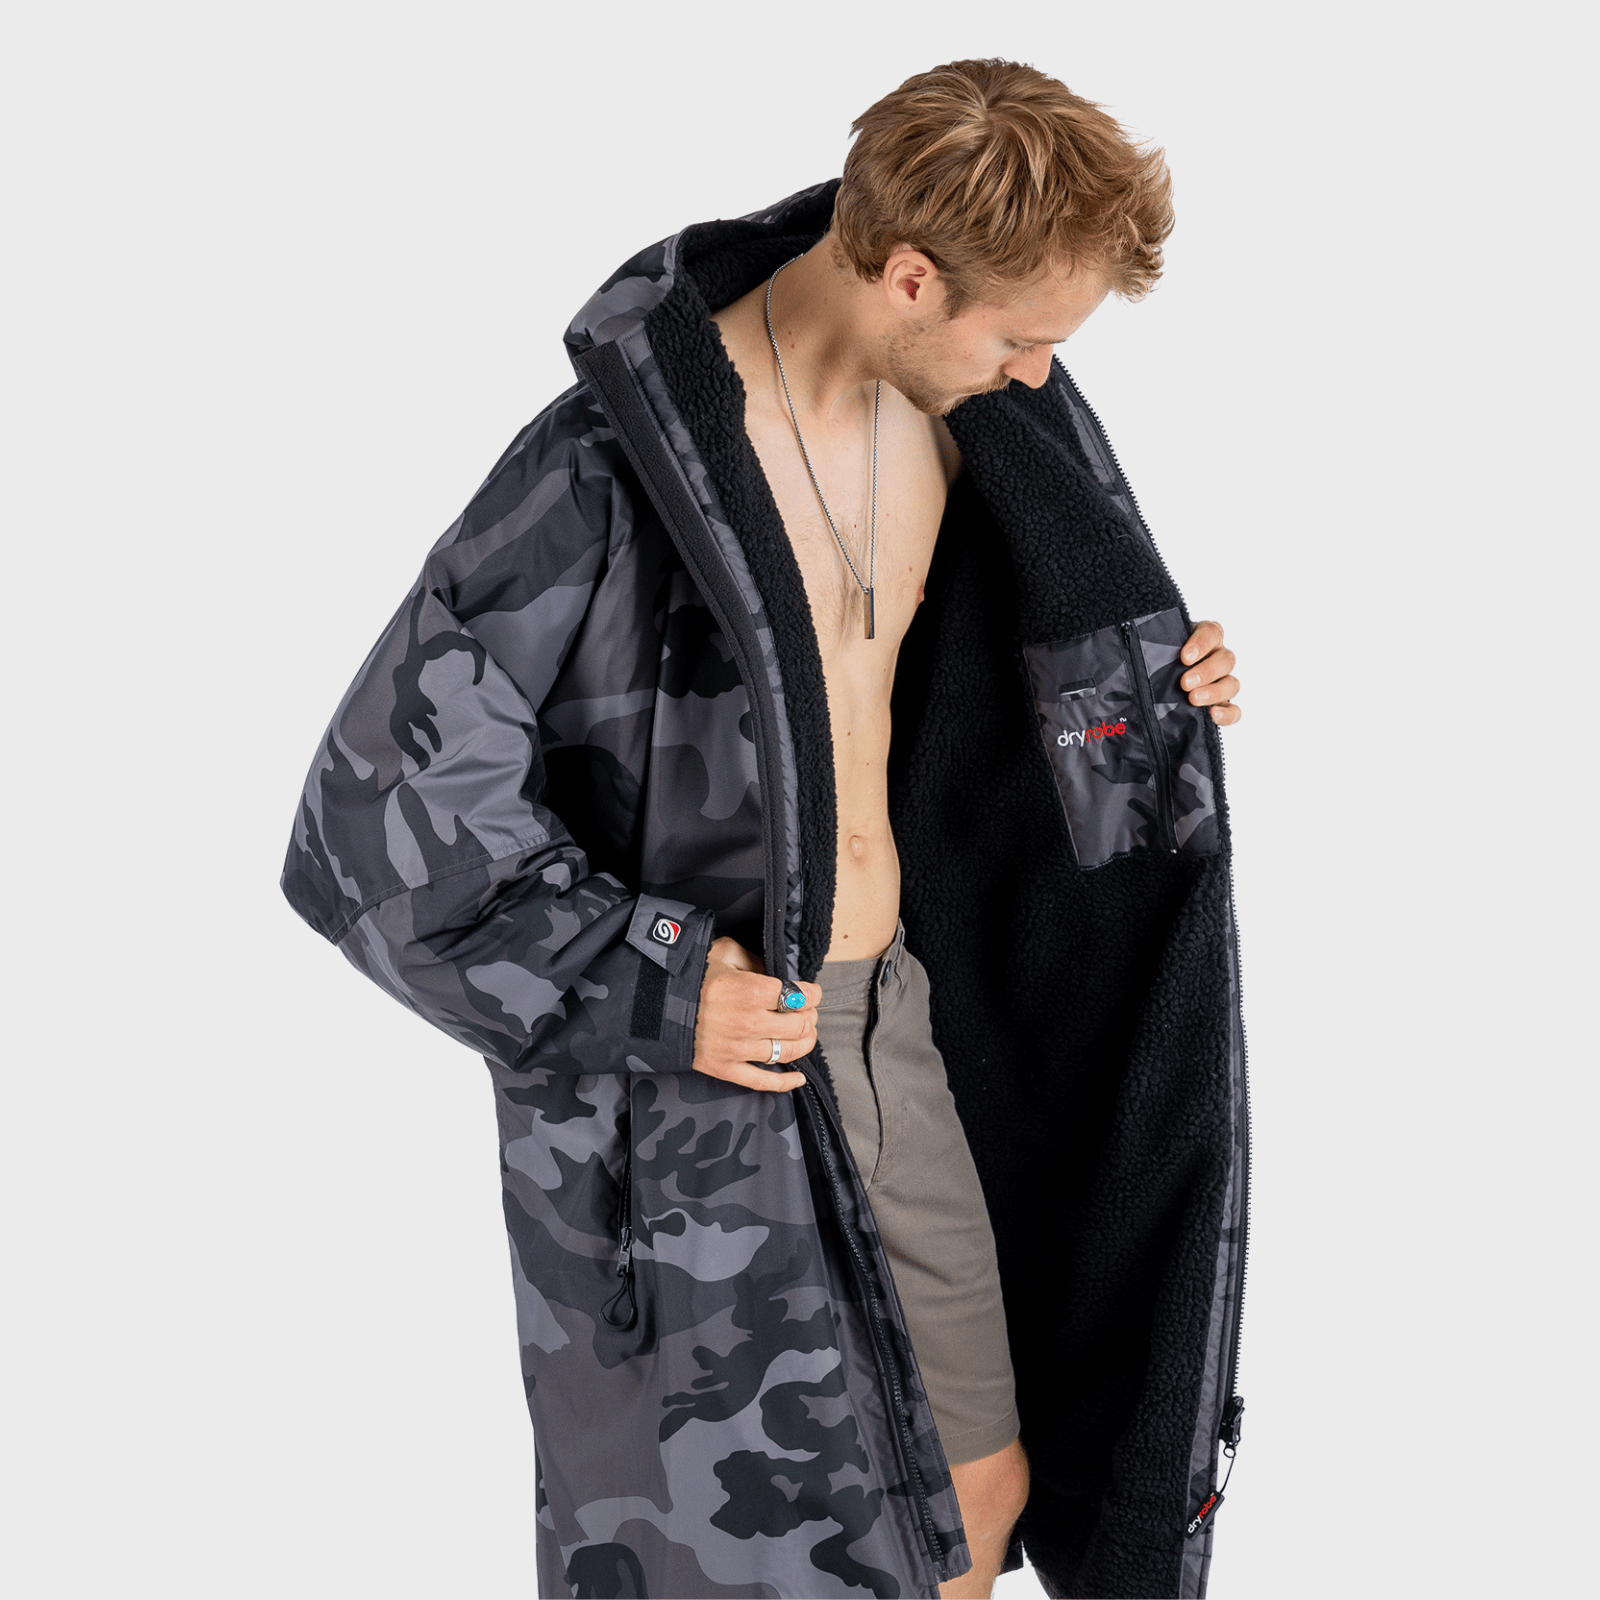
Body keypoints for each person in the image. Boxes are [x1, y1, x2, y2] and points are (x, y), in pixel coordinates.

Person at [282, 58, 1249, 1600]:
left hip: (900, 1022)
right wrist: (652, 983)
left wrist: (1146, 696)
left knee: (981, 1494)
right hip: (709, 1088)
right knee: (763, 1560)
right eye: (1021, 338)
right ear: (911, 276)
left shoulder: (980, 419)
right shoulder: (606, 475)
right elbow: (369, 816)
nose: (1038, 377)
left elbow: (1000, 692)